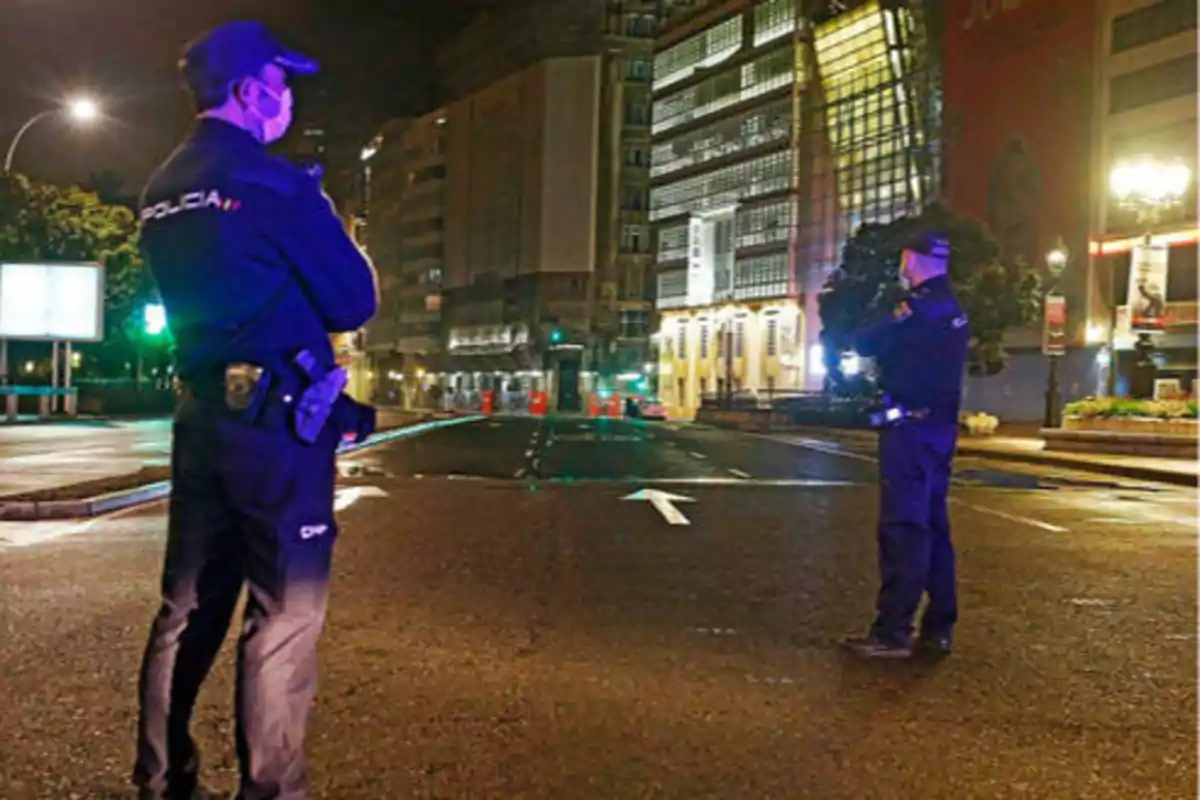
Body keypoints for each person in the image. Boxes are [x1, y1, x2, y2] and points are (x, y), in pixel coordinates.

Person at [131, 21, 378, 800]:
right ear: (248, 91)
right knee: (284, 613)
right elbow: (352, 298)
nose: (289, 98)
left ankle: (163, 778)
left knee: (187, 607)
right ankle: (273, 790)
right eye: (282, 83)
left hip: (201, 414)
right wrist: (322, 209)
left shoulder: (161, 190)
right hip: (276, 426)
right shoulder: (275, 183)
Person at [841, 229, 970, 660]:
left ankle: (892, 630)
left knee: (903, 528)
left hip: (909, 431)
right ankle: (939, 627)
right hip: (939, 430)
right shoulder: (953, 309)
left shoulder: (913, 309)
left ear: (909, 260)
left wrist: (888, 303)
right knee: (934, 527)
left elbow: (865, 341)